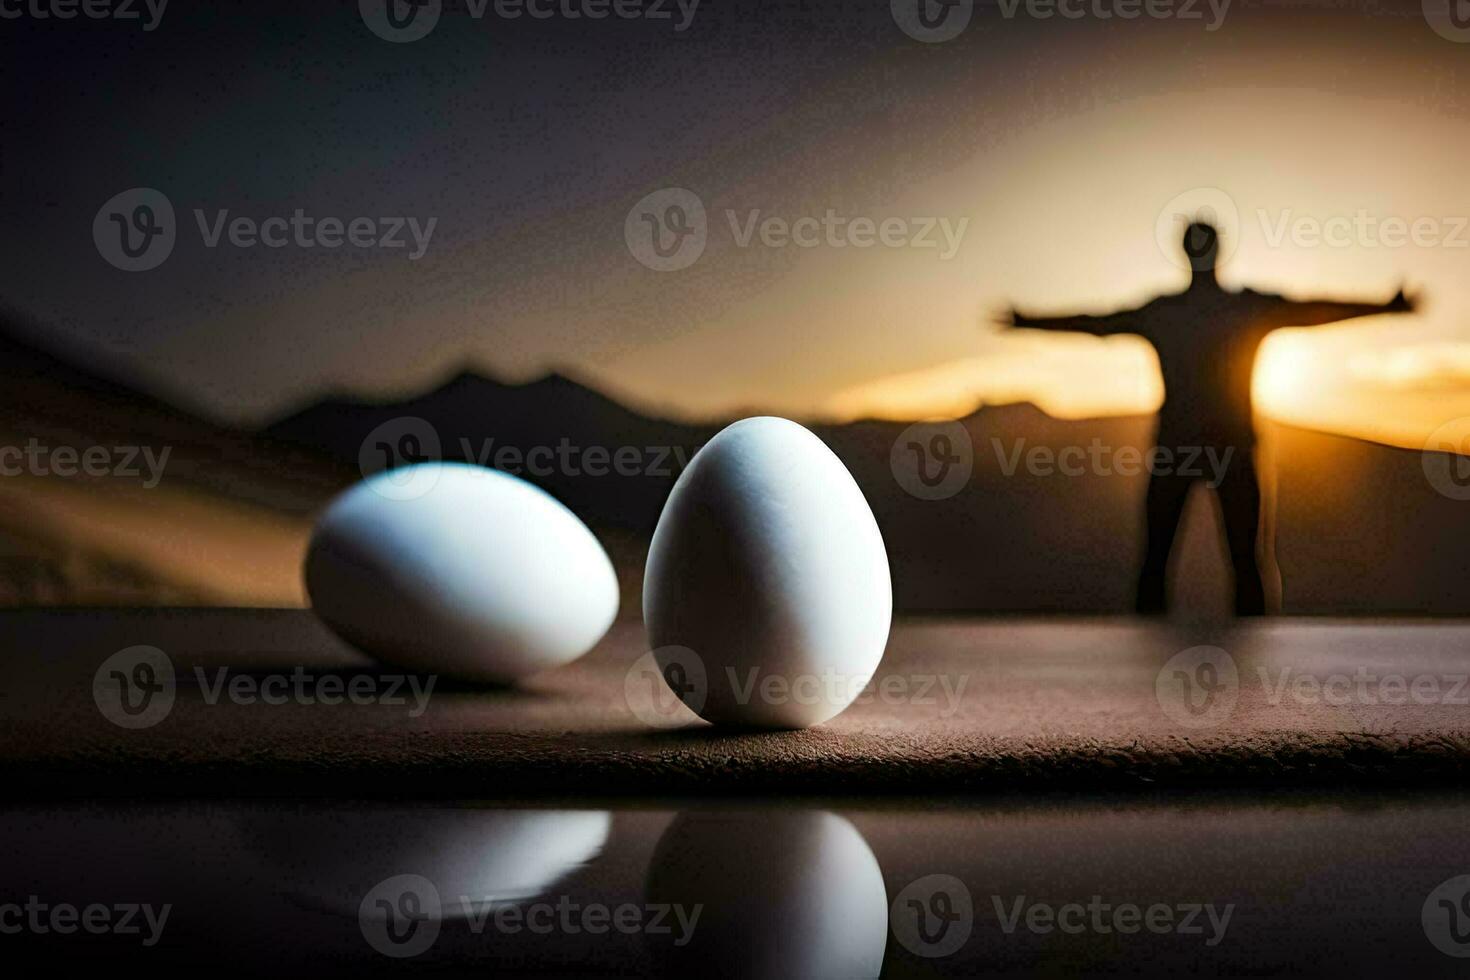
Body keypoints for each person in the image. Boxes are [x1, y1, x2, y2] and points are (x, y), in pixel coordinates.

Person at [1004, 221, 1416, 615]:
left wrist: (1029, 323)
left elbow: (1098, 324)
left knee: (1176, 559)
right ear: (1217, 250)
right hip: (1221, 447)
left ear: (1186, 251)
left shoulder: (1174, 311)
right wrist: (1385, 307)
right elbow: (1315, 311)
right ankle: (1243, 657)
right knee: (1222, 560)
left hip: (1193, 448)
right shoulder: (1236, 307)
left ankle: (1186, 653)